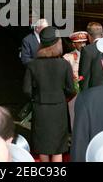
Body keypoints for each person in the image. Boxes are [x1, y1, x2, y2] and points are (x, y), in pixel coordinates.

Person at [23, 26, 74, 162]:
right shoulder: (64, 65)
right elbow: (71, 89)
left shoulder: (32, 65)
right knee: (58, 148)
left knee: (43, 147)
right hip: (58, 109)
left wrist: (37, 98)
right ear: (58, 43)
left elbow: (26, 90)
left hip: (40, 108)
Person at [63, 31, 88, 129]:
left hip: (86, 91)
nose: (83, 45)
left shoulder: (89, 54)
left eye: (84, 42)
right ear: (74, 44)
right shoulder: (68, 57)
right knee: (74, 117)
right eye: (80, 42)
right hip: (74, 93)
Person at [79, 22, 103, 90]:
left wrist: (84, 93)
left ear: (88, 36)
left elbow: (84, 75)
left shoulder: (87, 50)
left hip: (93, 91)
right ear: (102, 34)